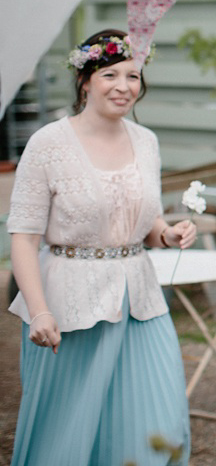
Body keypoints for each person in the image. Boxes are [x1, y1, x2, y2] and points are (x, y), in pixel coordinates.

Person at [7, 29, 197, 465]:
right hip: (68, 305)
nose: (123, 86)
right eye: (110, 74)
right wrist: (39, 311)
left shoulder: (146, 140)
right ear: (85, 81)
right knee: (67, 429)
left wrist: (166, 233)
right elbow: (23, 237)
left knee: (159, 416)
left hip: (141, 301)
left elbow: (140, 214)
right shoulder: (48, 145)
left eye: (133, 76)